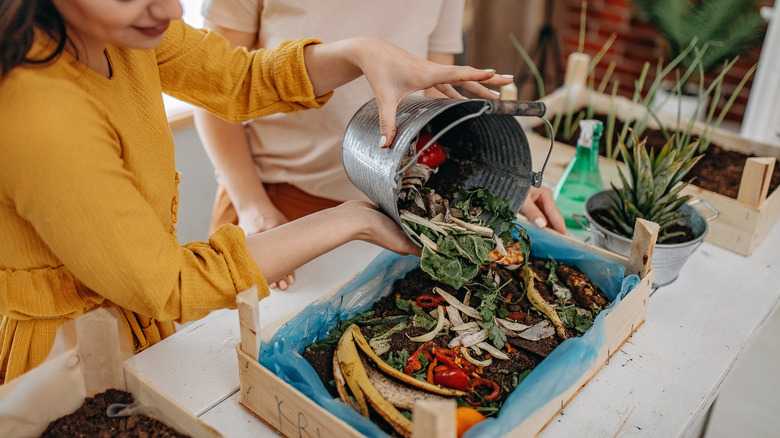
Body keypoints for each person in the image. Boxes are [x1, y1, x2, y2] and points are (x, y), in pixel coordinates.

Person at [0, 0, 513, 383]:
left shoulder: (118, 33)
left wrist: (361, 52)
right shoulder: (43, 114)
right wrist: (352, 218)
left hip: (132, 324)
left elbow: (239, 79)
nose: (172, 8)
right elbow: (170, 286)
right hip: (60, 359)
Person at [194, 0, 567, 290]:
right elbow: (211, 88)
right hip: (276, 203)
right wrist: (253, 205)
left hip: (393, 208)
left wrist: (498, 181)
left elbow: (435, 103)